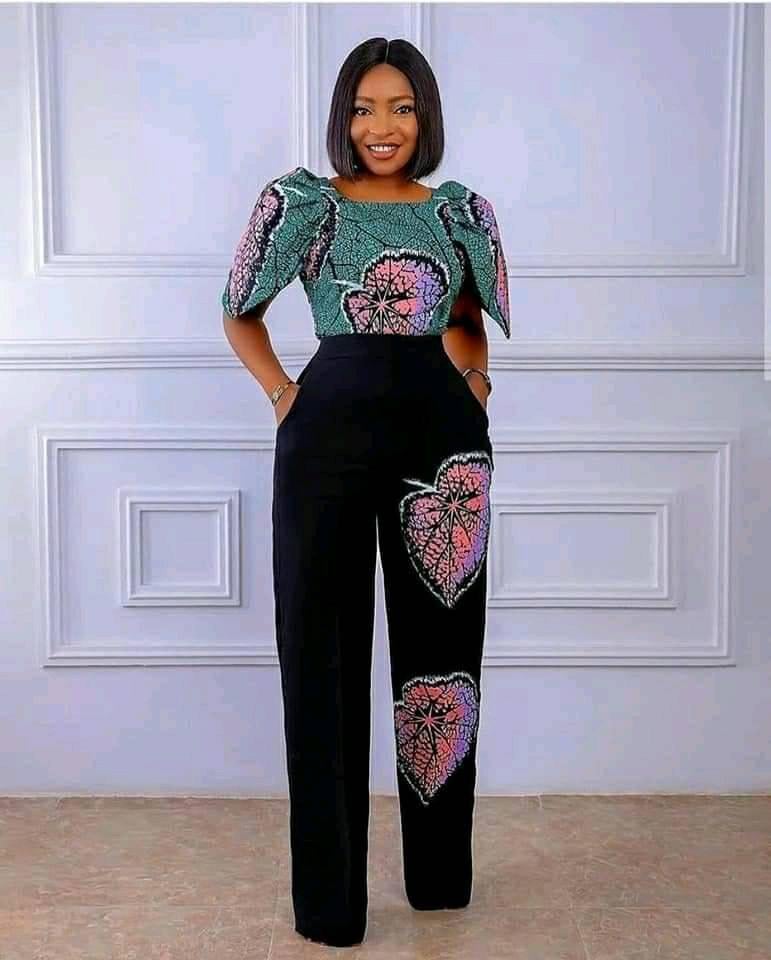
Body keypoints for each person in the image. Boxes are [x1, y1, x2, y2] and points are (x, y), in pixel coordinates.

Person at [221, 35, 511, 948]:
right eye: (363, 108)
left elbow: (466, 320)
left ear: (425, 117)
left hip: (442, 447)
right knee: (322, 660)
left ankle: (438, 879)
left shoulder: (459, 211)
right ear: (343, 117)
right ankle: (330, 904)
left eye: (401, 108)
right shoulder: (303, 203)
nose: (381, 126)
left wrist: (474, 387)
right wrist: (284, 395)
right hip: (325, 440)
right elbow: (238, 310)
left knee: (442, 664)